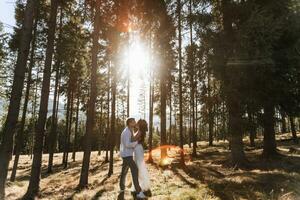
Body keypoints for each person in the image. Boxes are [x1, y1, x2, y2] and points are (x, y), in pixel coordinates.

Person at [119, 118, 146, 199]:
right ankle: (138, 192)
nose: (135, 122)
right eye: (133, 121)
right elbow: (127, 144)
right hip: (127, 155)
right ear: (129, 123)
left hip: (127, 154)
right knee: (135, 170)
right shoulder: (127, 132)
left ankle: (122, 188)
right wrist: (136, 143)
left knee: (124, 171)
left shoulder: (129, 130)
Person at [132, 119, 151, 193]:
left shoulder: (140, 131)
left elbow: (133, 139)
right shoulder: (141, 131)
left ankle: (141, 185)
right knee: (139, 166)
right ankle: (141, 185)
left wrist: (131, 132)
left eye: (137, 122)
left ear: (139, 124)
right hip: (138, 148)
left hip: (137, 149)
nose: (136, 123)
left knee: (138, 167)